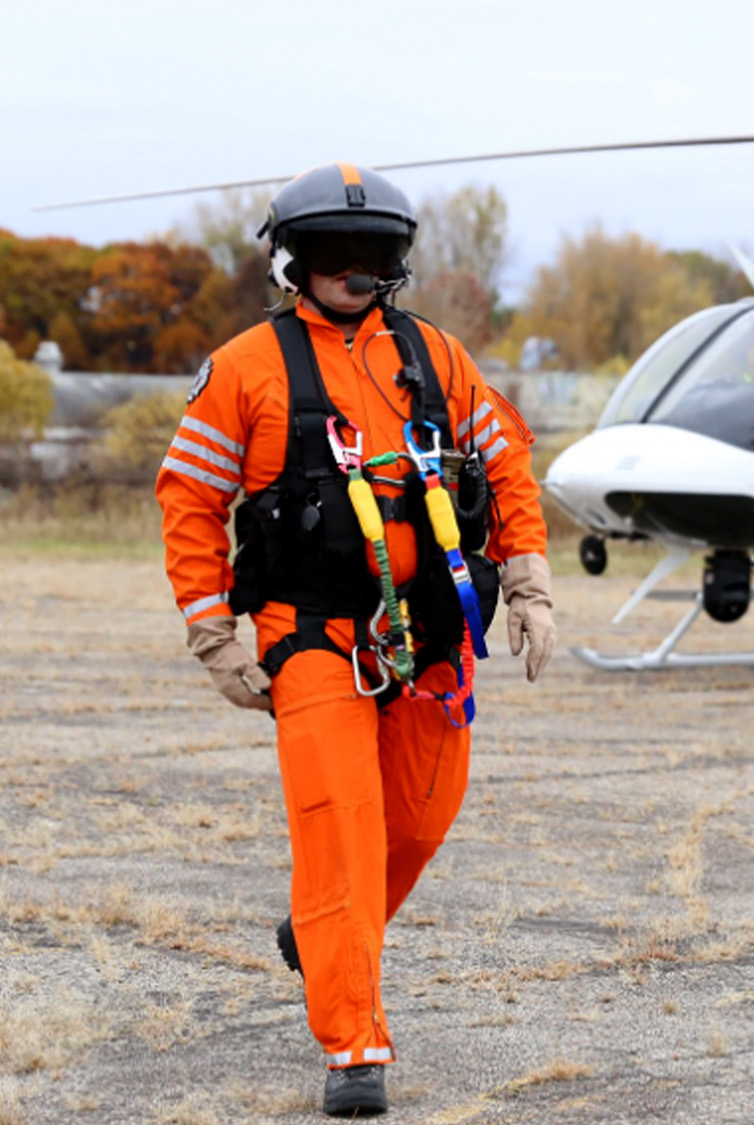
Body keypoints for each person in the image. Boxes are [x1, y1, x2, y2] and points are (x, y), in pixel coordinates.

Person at [156, 163, 556, 1118]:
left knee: (416, 821)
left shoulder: (438, 360)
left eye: (371, 249)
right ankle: (353, 1045)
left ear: (396, 260)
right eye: (332, 250)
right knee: (342, 828)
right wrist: (213, 631)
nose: (352, 266)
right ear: (293, 260)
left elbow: (508, 466)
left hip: (430, 638)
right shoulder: (246, 367)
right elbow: (189, 499)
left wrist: (530, 584)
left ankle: (323, 931)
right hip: (310, 639)